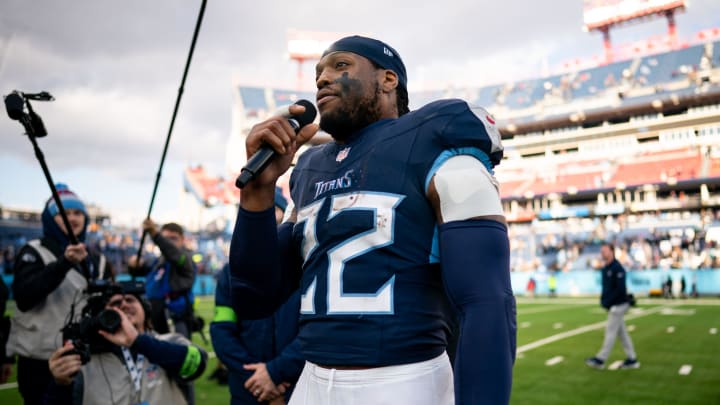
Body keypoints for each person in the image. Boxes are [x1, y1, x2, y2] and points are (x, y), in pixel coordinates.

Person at [228, 35, 516, 404]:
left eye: (340, 65)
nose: (322, 79)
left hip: (402, 380)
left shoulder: (433, 141)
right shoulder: (310, 168)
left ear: (388, 80)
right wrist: (258, 192)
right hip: (311, 380)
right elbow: (255, 297)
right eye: (318, 73)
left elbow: (487, 300)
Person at [7, 184, 114, 405]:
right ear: (49, 218)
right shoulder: (33, 250)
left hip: (87, 358)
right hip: (41, 361)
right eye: (63, 213)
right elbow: (25, 297)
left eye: (77, 213)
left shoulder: (97, 258)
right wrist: (64, 263)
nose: (72, 218)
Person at [212, 188, 304, 405]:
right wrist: (261, 379)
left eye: (273, 210)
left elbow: (316, 332)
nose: (264, 216)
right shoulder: (230, 273)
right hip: (249, 390)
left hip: (297, 389)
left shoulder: (308, 269)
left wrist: (275, 372)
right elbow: (222, 332)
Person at [45, 282, 208, 404]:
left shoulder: (170, 341)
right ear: (102, 316)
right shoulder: (85, 360)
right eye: (115, 304)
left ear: (145, 310)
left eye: (130, 300)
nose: (123, 305)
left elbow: (198, 363)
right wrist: (60, 383)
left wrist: (137, 341)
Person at [128, 219, 196, 338]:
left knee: (177, 351)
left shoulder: (185, 259)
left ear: (183, 240)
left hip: (175, 317)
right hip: (154, 316)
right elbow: (139, 271)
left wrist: (156, 235)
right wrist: (134, 265)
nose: (169, 242)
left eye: (173, 238)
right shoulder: (158, 261)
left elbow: (173, 254)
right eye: (166, 239)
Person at [585, 242, 639, 370]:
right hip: (613, 304)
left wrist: (608, 301)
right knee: (622, 333)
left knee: (610, 331)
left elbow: (620, 290)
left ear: (611, 252)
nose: (602, 253)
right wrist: (604, 301)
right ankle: (632, 359)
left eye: (605, 251)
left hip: (619, 305)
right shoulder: (605, 269)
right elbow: (606, 289)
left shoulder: (617, 268)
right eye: (601, 251)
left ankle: (601, 359)